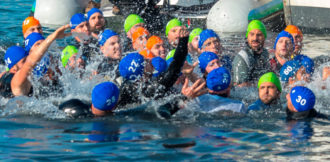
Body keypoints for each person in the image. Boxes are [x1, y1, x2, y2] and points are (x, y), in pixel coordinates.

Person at [10, 25, 71, 96]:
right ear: (29, 53)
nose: (44, 47)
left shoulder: (52, 64)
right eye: (38, 45)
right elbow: (30, 63)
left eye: (44, 44)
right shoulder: (20, 79)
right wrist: (52, 37)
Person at [232, 20, 270, 87]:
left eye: (259, 35)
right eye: (252, 34)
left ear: (264, 37)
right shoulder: (242, 58)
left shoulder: (265, 53)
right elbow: (239, 87)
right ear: (247, 37)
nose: (255, 38)